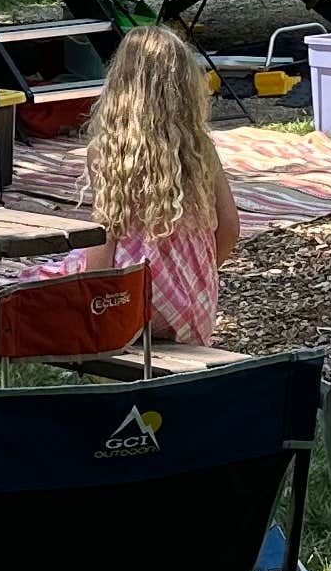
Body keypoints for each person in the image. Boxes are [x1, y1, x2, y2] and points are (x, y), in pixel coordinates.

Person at [34, 24, 240, 343]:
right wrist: (200, 274)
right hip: (193, 307)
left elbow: (106, 232)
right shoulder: (201, 148)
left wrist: (93, 296)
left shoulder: (109, 150)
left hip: (129, 299)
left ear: (120, 86)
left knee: (42, 283)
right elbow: (230, 227)